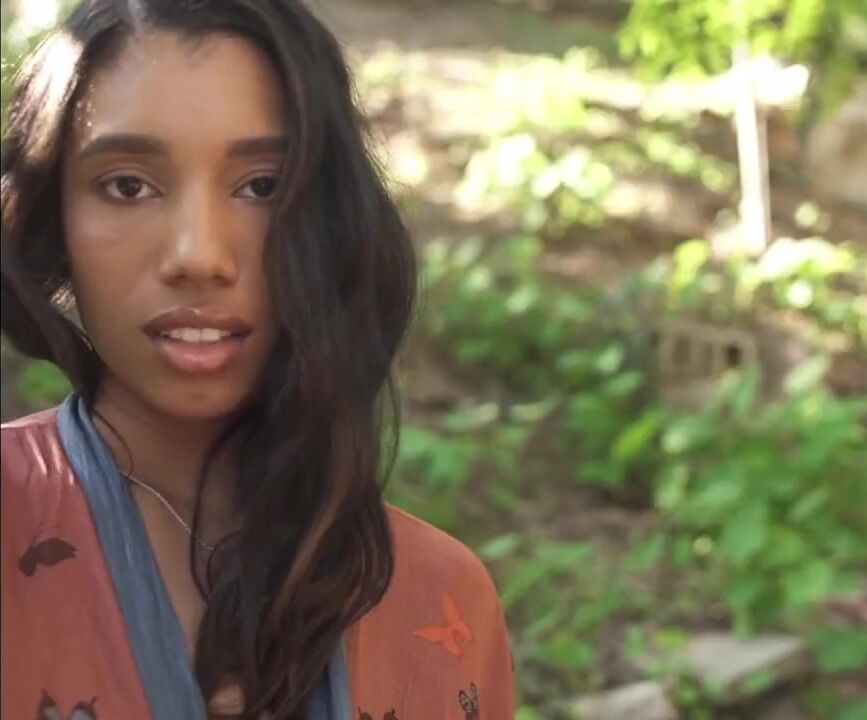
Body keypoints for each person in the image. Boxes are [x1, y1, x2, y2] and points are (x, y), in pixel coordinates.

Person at [0, 0, 515, 717]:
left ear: (333, 225)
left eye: (262, 187)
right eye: (128, 186)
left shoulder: (439, 600)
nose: (199, 256)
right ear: (53, 224)